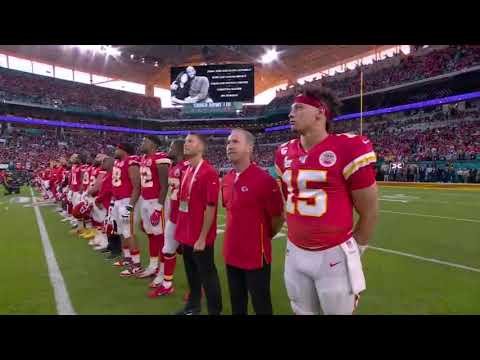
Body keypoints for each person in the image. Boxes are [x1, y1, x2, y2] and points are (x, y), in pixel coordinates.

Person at [274, 85, 379, 315]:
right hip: (294, 251)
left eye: (299, 108)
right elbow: (287, 198)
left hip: (334, 253)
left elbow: (369, 212)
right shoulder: (283, 152)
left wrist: (354, 250)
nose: (291, 114)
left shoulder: (348, 147)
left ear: (320, 112)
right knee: (301, 311)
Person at [221, 129, 284, 315]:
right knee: (237, 302)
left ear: (249, 147)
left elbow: (278, 217)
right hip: (231, 252)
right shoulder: (227, 179)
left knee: (261, 303)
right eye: (228, 142)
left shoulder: (264, 180)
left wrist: (264, 236)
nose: (229, 146)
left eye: (235, 141)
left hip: (256, 255)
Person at [174, 133, 222, 315]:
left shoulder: (208, 172)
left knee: (208, 275)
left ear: (201, 147)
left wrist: (202, 238)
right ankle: (193, 307)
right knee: (192, 275)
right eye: (185, 141)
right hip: (186, 234)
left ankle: (214, 311)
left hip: (200, 237)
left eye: (190, 141)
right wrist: (180, 233)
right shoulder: (187, 170)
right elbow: (183, 204)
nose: (186, 144)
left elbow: (210, 207)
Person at [149, 139, 189, 296]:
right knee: (167, 250)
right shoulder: (174, 167)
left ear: (179, 149)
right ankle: (167, 284)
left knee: (192, 256)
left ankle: (198, 287)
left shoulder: (187, 168)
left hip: (185, 217)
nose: (168, 149)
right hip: (173, 217)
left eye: (171, 147)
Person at [136, 136, 171, 279]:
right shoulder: (143, 158)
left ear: (152, 143)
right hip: (145, 200)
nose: (142, 143)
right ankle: (153, 265)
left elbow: (164, 186)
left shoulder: (160, 158)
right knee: (151, 235)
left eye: (145, 141)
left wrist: (158, 208)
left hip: (156, 201)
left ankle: (162, 271)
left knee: (160, 236)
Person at [110, 143, 143, 277]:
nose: (115, 151)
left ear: (124, 150)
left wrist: (130, 206)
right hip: (118, 201)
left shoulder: (131, 162)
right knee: (122, 232)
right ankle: (127, 258)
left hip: (126, 200)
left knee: (129, 232)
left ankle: (136, 265)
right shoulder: (119, 162)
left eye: (117, 148)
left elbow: (136, 186)